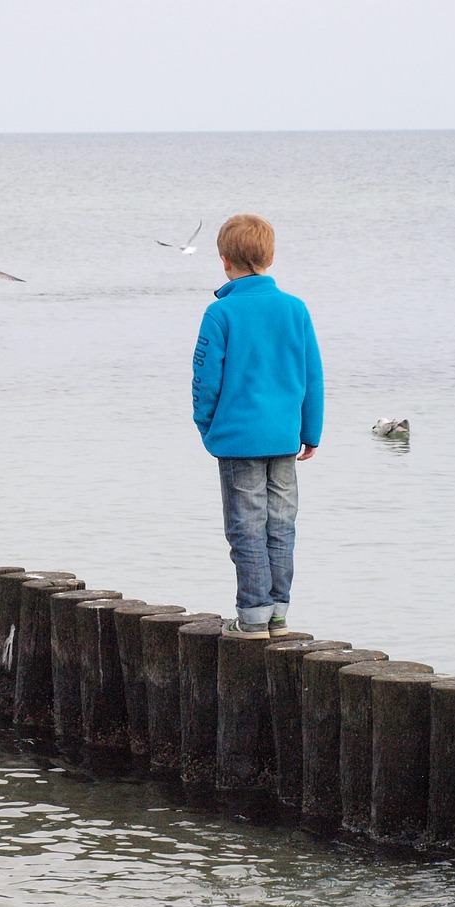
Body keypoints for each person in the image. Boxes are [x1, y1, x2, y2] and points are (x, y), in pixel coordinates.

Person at [191, 213, 324, 640]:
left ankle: (252, 615)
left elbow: (204, 380)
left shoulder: (220, 313)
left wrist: (207, 428)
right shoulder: (295, 308)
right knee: (280, 524)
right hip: (284, 437)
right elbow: (312, 375)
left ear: (225, 261)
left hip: (237, 440)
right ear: (269, 258)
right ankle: (278, 614)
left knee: (245, 526)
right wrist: (311, 431)